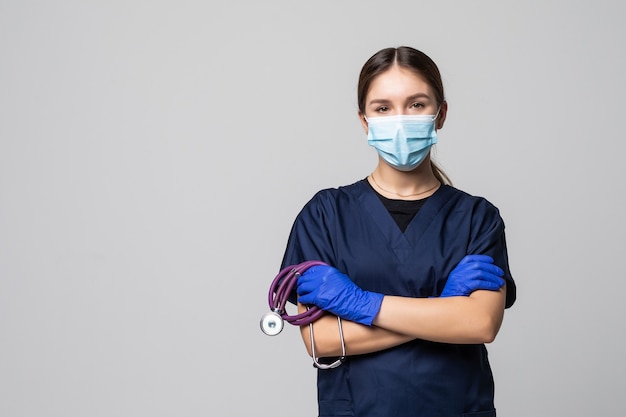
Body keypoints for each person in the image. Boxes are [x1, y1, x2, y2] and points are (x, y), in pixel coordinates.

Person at [280, 46, 516, 417]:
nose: (400, 119)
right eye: (383, 108)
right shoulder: (325, 215)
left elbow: (481, 323)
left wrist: (360, 305)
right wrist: (443, 310)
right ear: (364, 120)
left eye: (417, 104)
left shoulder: (477, 218)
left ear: (441, 115)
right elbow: (320, 338)